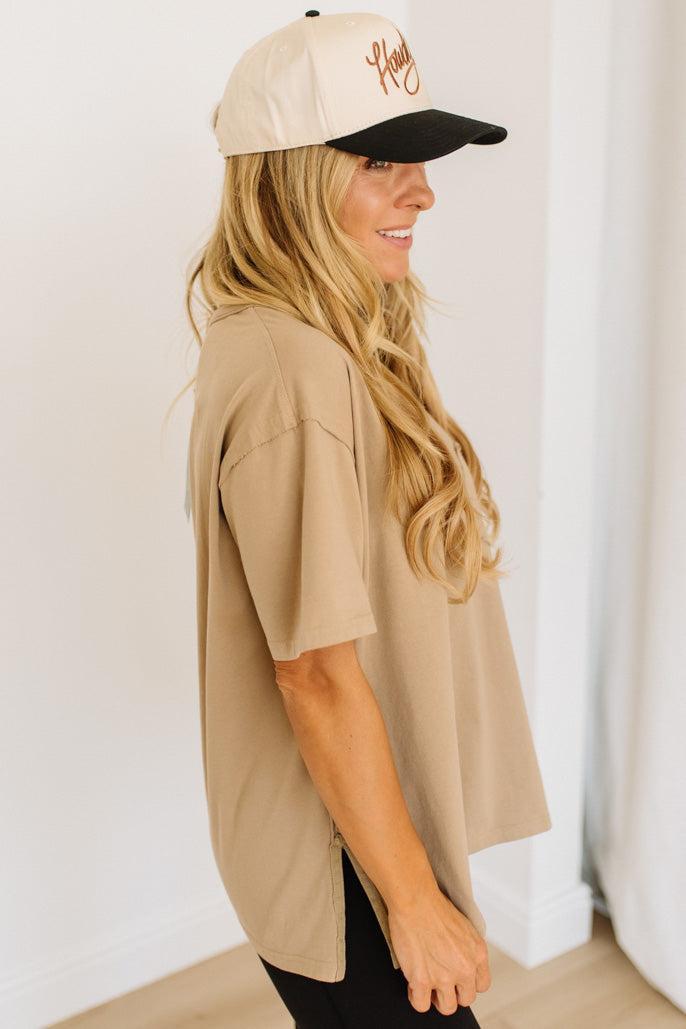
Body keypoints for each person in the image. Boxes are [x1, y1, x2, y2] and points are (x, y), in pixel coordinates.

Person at [182, 10, 552, 1027]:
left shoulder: (334, 327)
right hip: (340, 853)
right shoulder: (292, 373)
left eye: (421, 159)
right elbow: (313, 670)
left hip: (359, 821)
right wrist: (411, 898)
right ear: (289, 174)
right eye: (381, 160)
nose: (423, 191)